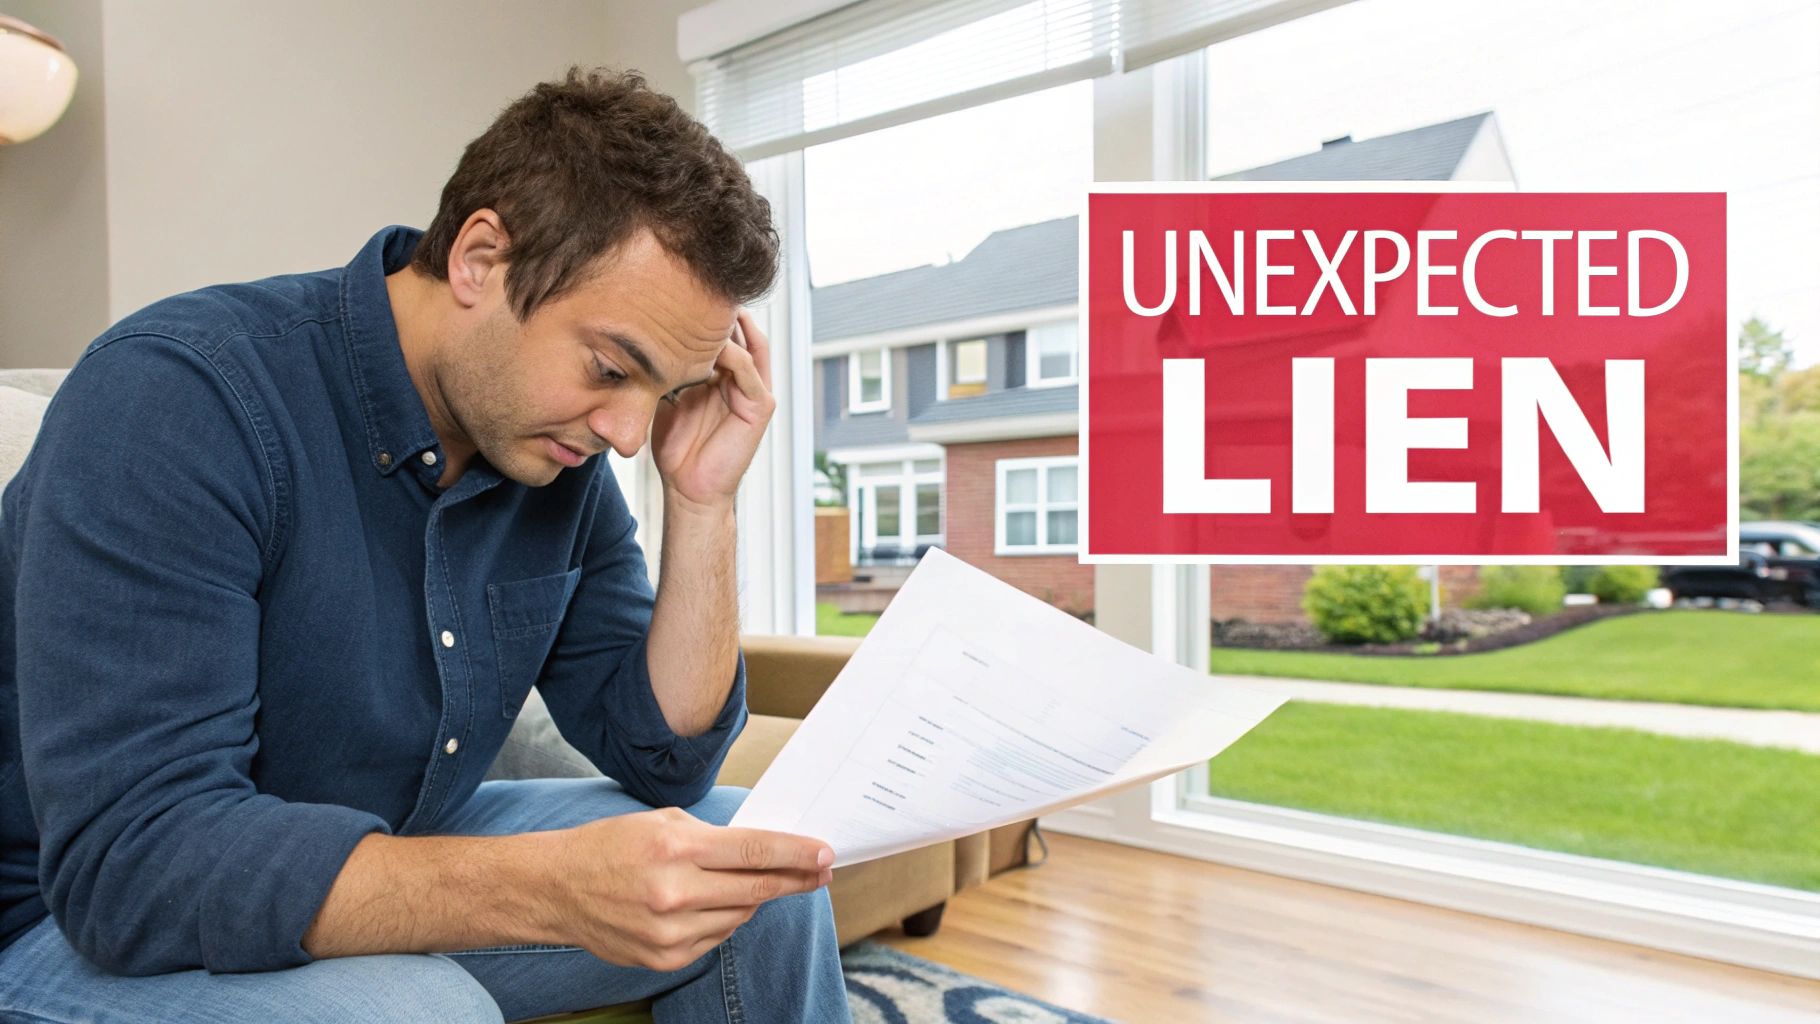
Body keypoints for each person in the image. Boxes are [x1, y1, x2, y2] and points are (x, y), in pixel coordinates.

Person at [0, 68, 853, 1023]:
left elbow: (665, 762)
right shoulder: (178, 401)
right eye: (612, 368)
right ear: (481, 260)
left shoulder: (553, 456)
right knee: (414, 1007)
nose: (626, 433)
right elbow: (134, 866)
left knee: (751, 868)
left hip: (389, 844)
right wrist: (542, 885)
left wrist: (704, 503)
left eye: (663, 390)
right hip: (66, 925)